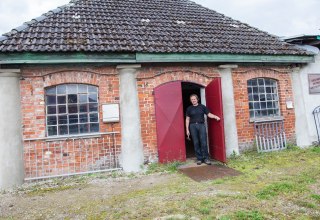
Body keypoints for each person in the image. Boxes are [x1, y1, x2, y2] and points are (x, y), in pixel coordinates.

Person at [185, 94, 220, 165]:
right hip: (193, 126)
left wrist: (215, 116)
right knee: (196, 142)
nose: (193, 100)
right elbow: (187, 119)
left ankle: (206, 158)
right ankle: (199, 159)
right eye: (192, 99)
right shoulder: (189, 108)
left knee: (203, 142)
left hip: (201, 125)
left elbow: (209, 114)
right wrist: (187, 130)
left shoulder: (202, 107)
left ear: (197, 99)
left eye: (194, 99)